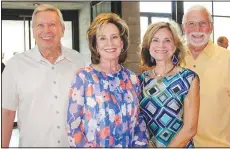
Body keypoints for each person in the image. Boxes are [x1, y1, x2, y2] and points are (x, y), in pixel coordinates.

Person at [2, 4, 85, 147]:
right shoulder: (15, 66)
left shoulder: (78, 61)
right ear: (33, 31)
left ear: (63, 30)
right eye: (40, 25)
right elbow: (7, 114)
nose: (46, 30)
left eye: (52, 24)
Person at [66, 13, 148, 147]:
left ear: (122, 43)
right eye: (102, 38)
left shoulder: (132, 79)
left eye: (114, 37)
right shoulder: (83, 78)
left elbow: (139, 122)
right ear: (95, 45)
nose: (110, 43)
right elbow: (72, 127)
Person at [139, 21, 200, 147]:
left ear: (175, 45)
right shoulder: (140, 80)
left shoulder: (188, 78)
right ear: (148, 45)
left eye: (167, 40)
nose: (161, 45)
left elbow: (190, 129)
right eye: (155, 40)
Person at [182, 5, 230, 147]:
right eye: (191, 24)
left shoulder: (228, 60)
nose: (197, 29)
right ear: (184, 28)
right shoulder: (174, 60)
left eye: (202, 23)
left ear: (211, 27)